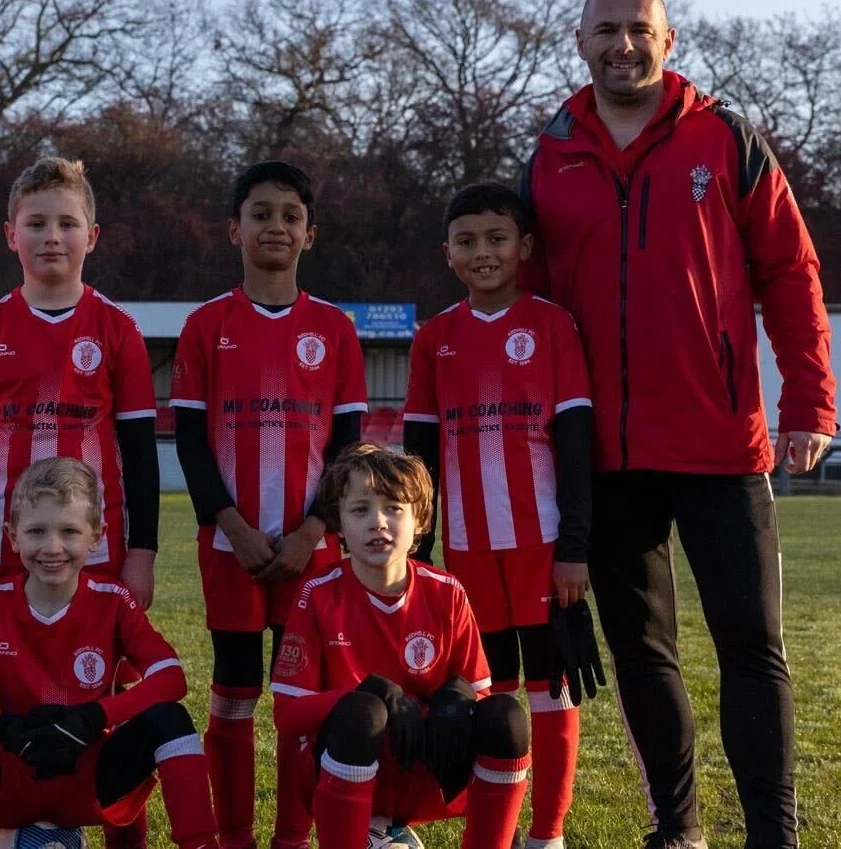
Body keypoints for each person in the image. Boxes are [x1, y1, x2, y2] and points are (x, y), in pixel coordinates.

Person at [521, 0, 837, 849]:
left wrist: (808, 401)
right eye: (606, 31)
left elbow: (791, 275)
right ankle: (679, 829)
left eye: (639, 30)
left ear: (668, 38)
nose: (623, 46)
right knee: (642, 653)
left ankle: (774, 836)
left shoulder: (725, 138)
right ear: (580, 41)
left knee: (751, 646)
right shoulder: (549, 154)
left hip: (720, 441)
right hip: (607, 455)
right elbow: (533, 306)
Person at [0, 155, 161, 849]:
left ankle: (114, 829)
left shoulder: (117, 330)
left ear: (94, 235)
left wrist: (142, 554)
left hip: (98, 551)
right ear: (11, 235)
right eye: (37, 223)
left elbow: (143, 455)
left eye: (67, 222)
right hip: (0, 549)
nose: (51, 236)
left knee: (108, 712)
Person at [170, 160, 368, 849]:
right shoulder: (205, 326)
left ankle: (289, 838)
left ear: (310, 234)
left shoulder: (336, 330)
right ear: (235, 229)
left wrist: (313, 529)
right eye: (261, 214)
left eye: (290, 215)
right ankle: (234, 838)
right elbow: (190, 444)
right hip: (234, 549)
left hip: (311, 551)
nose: (275, 226)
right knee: (232, 690)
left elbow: (348, 449)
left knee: (298, 703)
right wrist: (234, 526)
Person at [401, 182, 601, 849]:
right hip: (467, 551)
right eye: (467, 241)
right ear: (448, 254)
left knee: (552, 689)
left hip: (543, 546)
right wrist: (416, 554)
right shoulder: (434, 338)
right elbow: (419, 458)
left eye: (496, 238)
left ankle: (547, 836)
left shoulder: (552, 324)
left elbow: (576, 448)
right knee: (491, 694)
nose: (483, 252)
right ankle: (499, 830)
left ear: (524, 247)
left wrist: (575, 545)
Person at [0, 457, 219, 849]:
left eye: (69, 531)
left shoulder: (114, 601)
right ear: (12, 536)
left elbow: (171, 677)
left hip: (90, 782)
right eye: (36, 532)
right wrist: (3, 728)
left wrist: (93, 718)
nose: (52, 548)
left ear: (97, 536)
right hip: (10, 776)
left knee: (170, 718)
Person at [270, 443, 531, 849]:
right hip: (342, 769)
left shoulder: (447, 592)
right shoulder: (316, 595)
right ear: (338, 521)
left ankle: (490, 839)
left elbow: (480, 694)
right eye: (360, 510)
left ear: (420, 520)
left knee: (505, 716)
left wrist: (457, 702)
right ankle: (364, 834)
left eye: (394, 508)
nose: (378, 522)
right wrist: (368, 695)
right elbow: (288, 716)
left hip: (427, 769)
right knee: (363, 711)